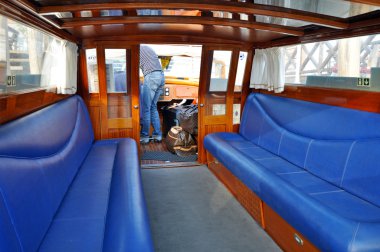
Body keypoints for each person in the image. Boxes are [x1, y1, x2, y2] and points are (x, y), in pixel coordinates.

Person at [140, 45, 165, 144]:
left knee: (146, 108)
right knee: (153, 107)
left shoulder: (135, 48)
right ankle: (157, 135)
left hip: (151, 76)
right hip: (161, 76)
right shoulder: (148, 48)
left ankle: (144, 136)